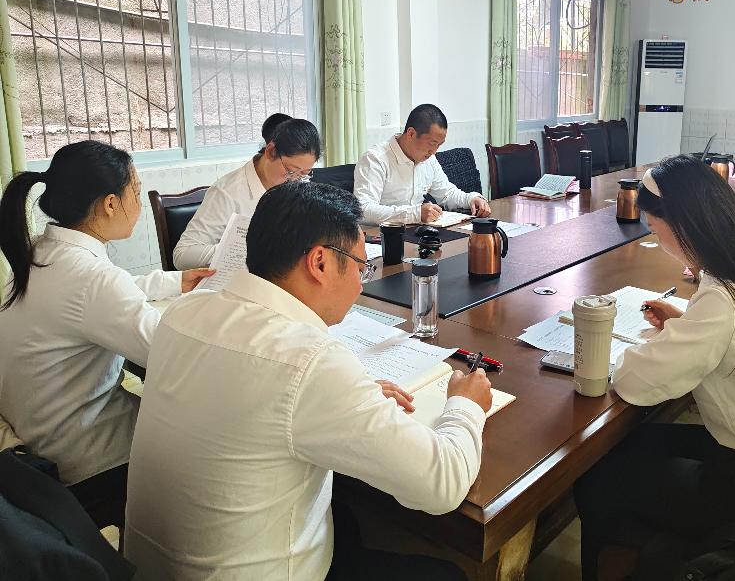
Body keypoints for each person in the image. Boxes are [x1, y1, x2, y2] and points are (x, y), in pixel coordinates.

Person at [125, 182, 492, 581]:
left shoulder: (184, 310)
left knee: (348, 518)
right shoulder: (309, 361)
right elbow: (442, 483)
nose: (361, 283)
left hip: (150, 566)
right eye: (360, 266)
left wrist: (350, 397)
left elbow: (250, 396)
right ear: (319, 262)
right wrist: (466, 404)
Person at [574, 156, 735, 580]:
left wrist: (667, 338)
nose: (657, 238)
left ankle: (642, 562)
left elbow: (633, 382)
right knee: (633, 443)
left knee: (595, 475)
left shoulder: (722, 300)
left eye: (654, 229)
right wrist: (687, 323)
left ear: (680, 225)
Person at [0, 141, 212, 490]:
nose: (138, 205)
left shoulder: (41, 250)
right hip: (80, 450)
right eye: (136, 193)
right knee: (206, 428)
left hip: (33, 427)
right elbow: (170, 351)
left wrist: (177, 281)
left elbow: (105, 294)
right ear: (110, 204)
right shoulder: (92, 279)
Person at [173, 116, 321, 269]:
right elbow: (182, 256)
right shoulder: (227, 192)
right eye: (290, 171)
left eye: (304, 173)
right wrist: (245, 249)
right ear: (270, 151)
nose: (295, 180)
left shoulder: (300, 183)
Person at [354, 103, 491, 225]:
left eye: (439, 145)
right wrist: (415, 214)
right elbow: (363, 209)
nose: (434, 151)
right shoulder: (375, 159)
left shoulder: (429, 159)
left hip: (418, 233)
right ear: (411, 134)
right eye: (432, 143)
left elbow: (446, 194)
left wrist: (471, 199)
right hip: (385, 236)